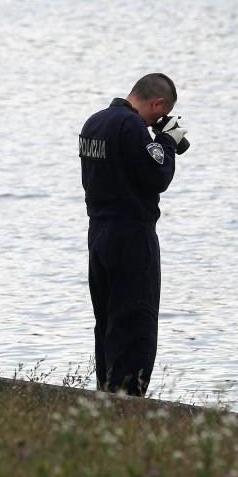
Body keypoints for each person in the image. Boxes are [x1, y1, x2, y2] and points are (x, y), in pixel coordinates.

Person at [78, 74, 190, 396]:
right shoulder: (130, 126)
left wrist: (154, 137)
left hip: (98, 234)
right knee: (135, 321)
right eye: (160, 113)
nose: (158, 120)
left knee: (108, 321)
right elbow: (157, 175)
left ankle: (106, 392)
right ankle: (128, 400)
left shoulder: (94, 123)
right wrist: (167, 140)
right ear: (158, 104)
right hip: (132, 236)